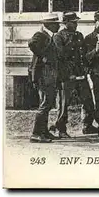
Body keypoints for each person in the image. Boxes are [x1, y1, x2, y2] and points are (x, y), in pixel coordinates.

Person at [52, 12, 97, 137]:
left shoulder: (79, 35)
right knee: (64, 104)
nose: (76, 24)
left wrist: (85, 68)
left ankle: (87, 125)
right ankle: (61, 130)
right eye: (73, 22)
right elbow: (61, 58)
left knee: (88, 100)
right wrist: (68, 74)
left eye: (76, 22)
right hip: (67, 75)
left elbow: (82, 55)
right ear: (66, 23)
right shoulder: (58, 37)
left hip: (80, 73)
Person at [28, 14, 61, 143]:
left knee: (47, 103)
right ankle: (36, 133)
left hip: (49, 75)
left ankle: (44, 131)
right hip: (43, 75)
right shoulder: (41, 35)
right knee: (45, 104)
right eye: (56, 23)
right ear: (49, 25)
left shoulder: (49, 36)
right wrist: (43, 57)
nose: (59, 25)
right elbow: (31, 44)